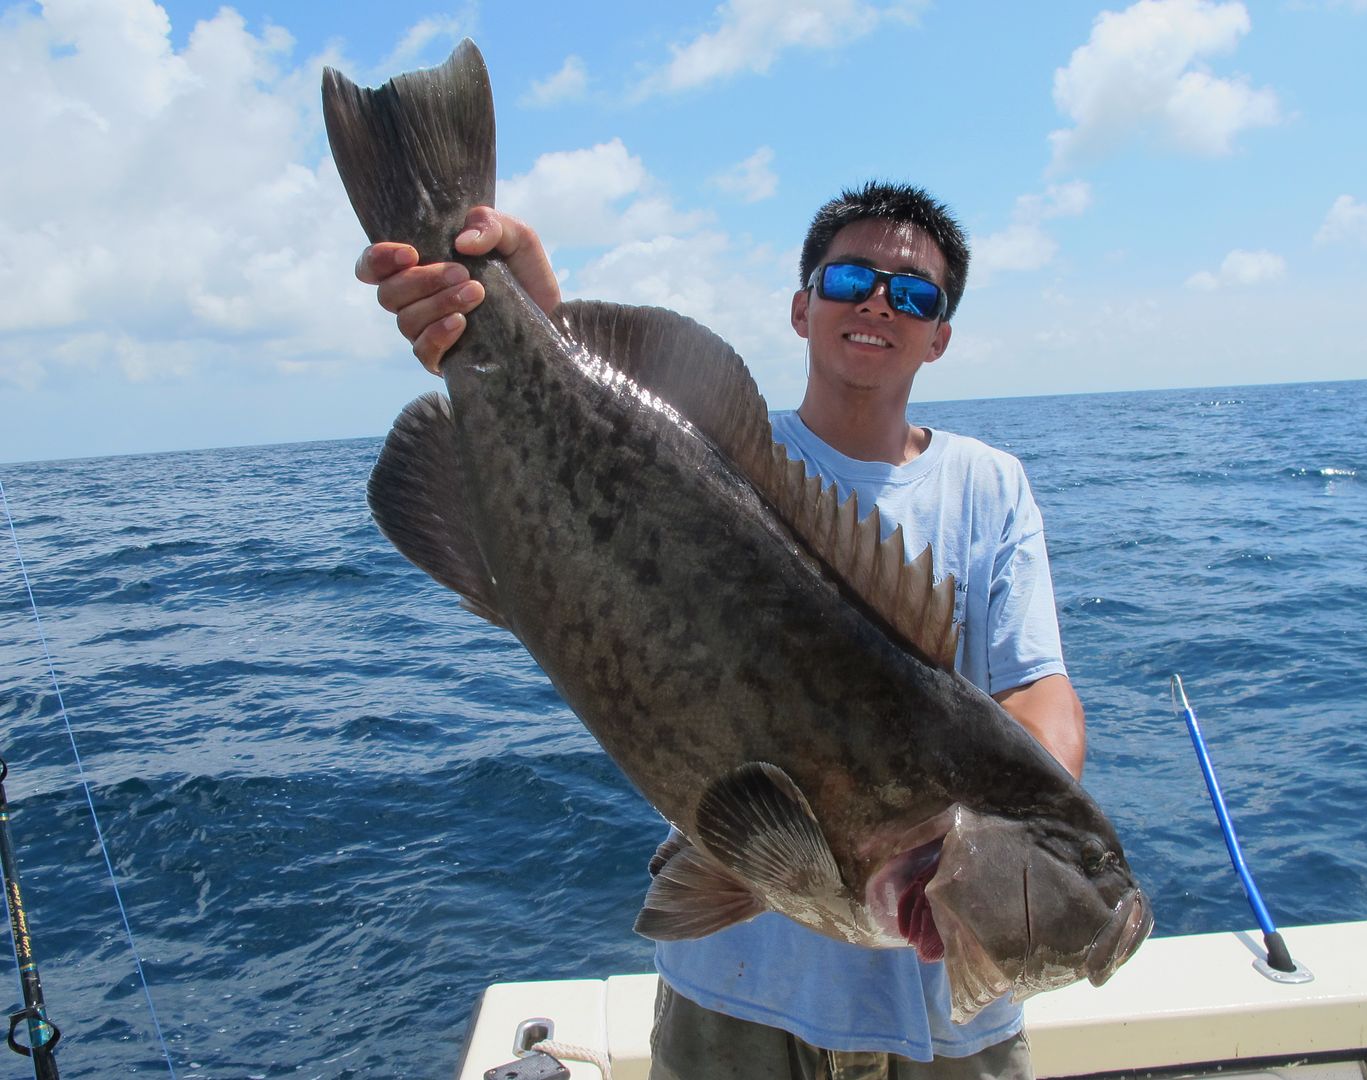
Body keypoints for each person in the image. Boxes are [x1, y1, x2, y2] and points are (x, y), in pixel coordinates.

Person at [356, 181, 1085, 1080]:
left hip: (943, 1027)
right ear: (801, 306)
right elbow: (597, 425)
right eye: (851, 275)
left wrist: (1017, 835)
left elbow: (1038, 687)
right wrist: (521, 312)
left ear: (940, 335)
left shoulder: (989, 485)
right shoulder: (712, 458)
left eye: (915, 293)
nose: (877, 301)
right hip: (733, 1002)